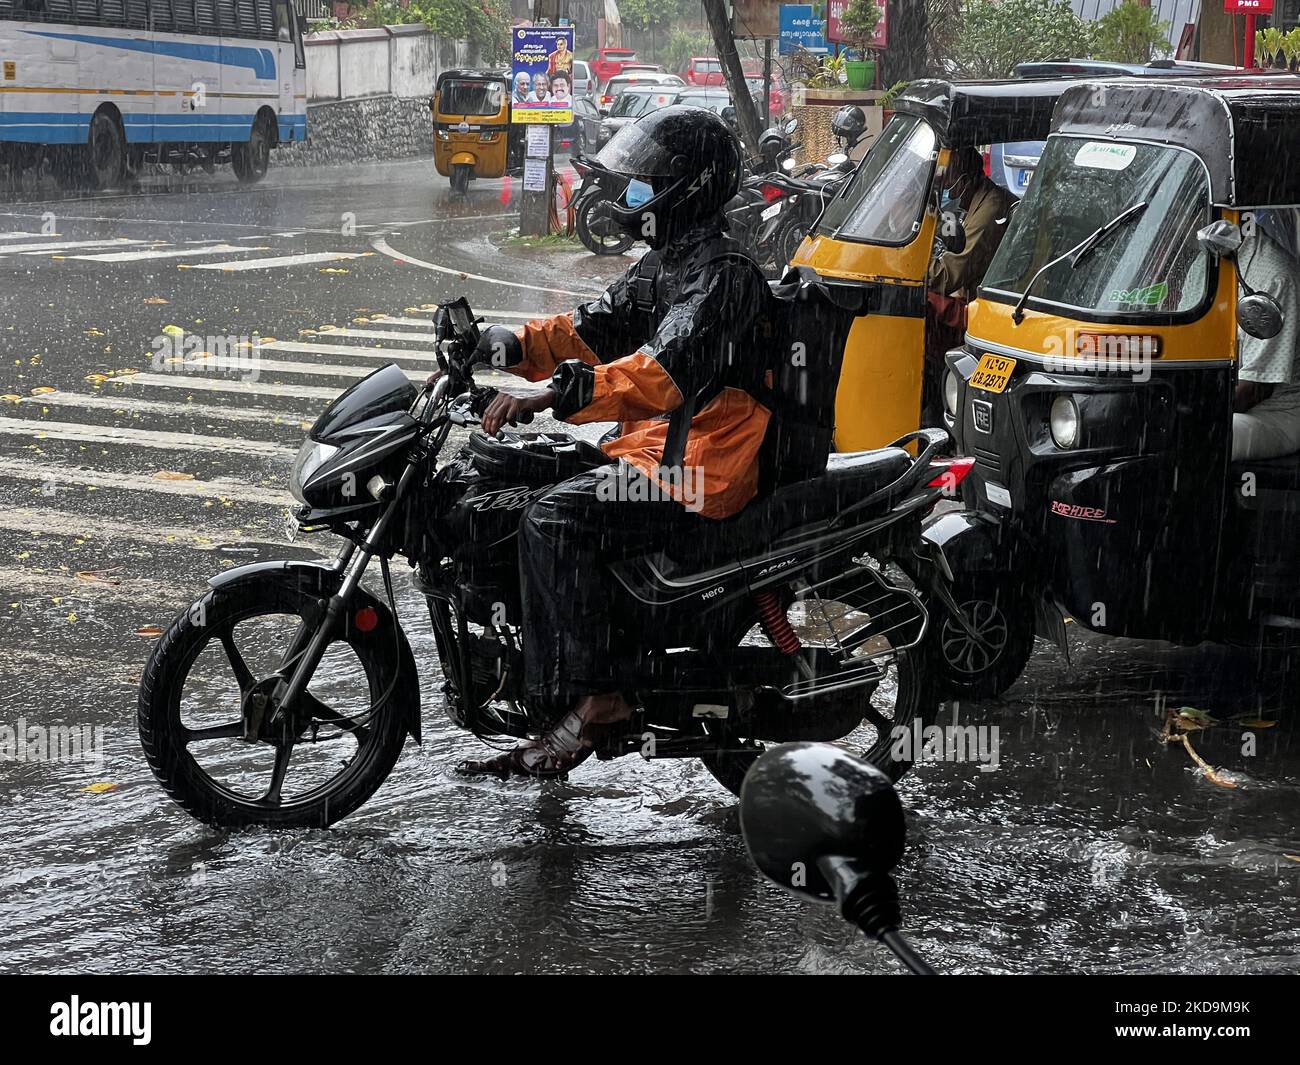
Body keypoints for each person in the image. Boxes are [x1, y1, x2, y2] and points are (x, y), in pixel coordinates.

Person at [454, 106, 769, 780]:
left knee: (555, 519)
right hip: (656, 449)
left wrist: (553, 395)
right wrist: (505, 344)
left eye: (641, 186)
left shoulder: (724, 274)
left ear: (685, 191)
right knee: (513, 481)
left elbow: (661, 373)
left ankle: (595, 695)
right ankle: (550, 689)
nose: (629, 199)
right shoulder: (668, 261)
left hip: (701, 466)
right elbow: (590, 328)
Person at [1232, 211, 1300, 461]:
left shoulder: (1275, 275)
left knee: (1202, 434)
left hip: (1277, 412)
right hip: (1230, 405)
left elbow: (1255, 390)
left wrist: (1183, 412)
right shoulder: (1204, 265)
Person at [929, 145, 1015, 301]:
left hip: (996, 303)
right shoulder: (972, 201)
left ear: (964, 181)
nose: (946, 187)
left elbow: (952, 275)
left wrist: (917, 270)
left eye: (949, 180)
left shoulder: (990, 209)